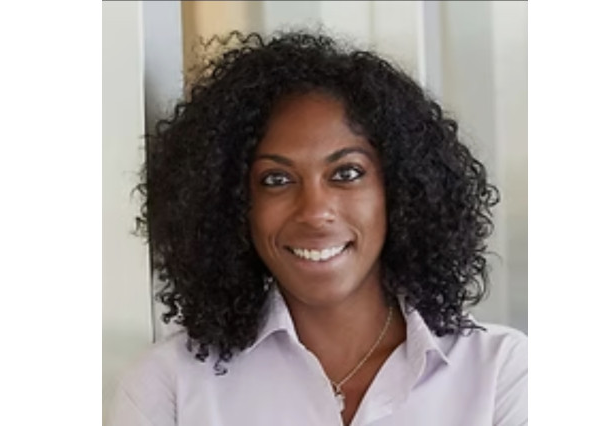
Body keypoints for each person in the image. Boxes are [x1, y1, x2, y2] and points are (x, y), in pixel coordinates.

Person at [109, 30, 527, 426]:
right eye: (276, 179)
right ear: (234, 205)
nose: (314, 211)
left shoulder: (500, 374)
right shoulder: (168, 387)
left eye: (346, 173)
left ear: (400, 188)